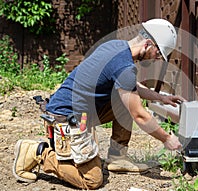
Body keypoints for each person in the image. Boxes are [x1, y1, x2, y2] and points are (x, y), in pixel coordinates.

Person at [13, 18, 183, 190]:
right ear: (148, 44)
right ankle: (37, 152)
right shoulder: (124, 66)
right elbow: (139, 115)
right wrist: (167, 138)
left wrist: (161, 98)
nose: (157, 59)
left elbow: (130, 86)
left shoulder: (115, 46)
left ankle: (118, 157)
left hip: (81, 111)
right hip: (65, 117)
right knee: (92, 181)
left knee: (126, 99)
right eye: (158, 53)